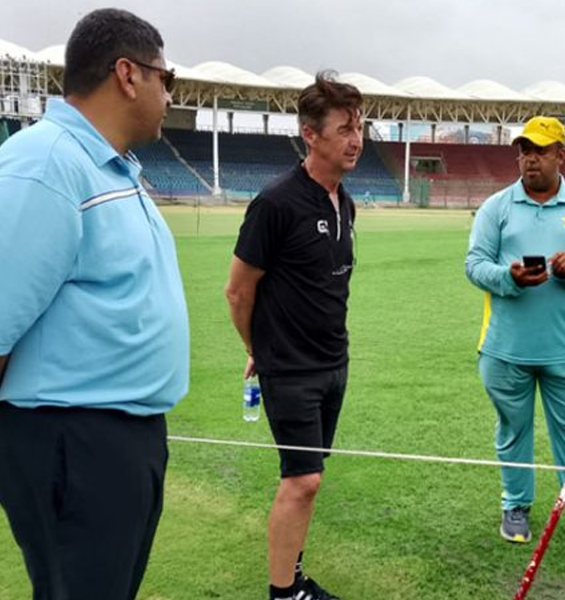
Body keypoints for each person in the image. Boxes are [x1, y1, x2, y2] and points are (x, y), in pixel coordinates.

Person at [0, 9, 188, 600]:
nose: (169, 93)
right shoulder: (47, 164)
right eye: (168, 77)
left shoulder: (104, 164)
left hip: (114, 441)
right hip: (71, 444)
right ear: (128, 74)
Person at [225, 71, 362, 600]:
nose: (356, 140)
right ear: (311, 134)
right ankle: (284, 593)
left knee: (312, 478)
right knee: (301, 480)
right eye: (344, 128)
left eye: (360, 128)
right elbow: (238, 292)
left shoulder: (344, 201)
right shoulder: (276, 202)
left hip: (334, 363)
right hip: (291, 369)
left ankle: (294, 574)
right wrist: (257, 350)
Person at [465, 116, 565, 556]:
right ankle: (515, 506)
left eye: (540, 150)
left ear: (560, 155)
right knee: (513, 430)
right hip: (505, 347)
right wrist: (509, 276)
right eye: (524, 150)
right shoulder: (497, 207)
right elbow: (474, 265)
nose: (530, 158)